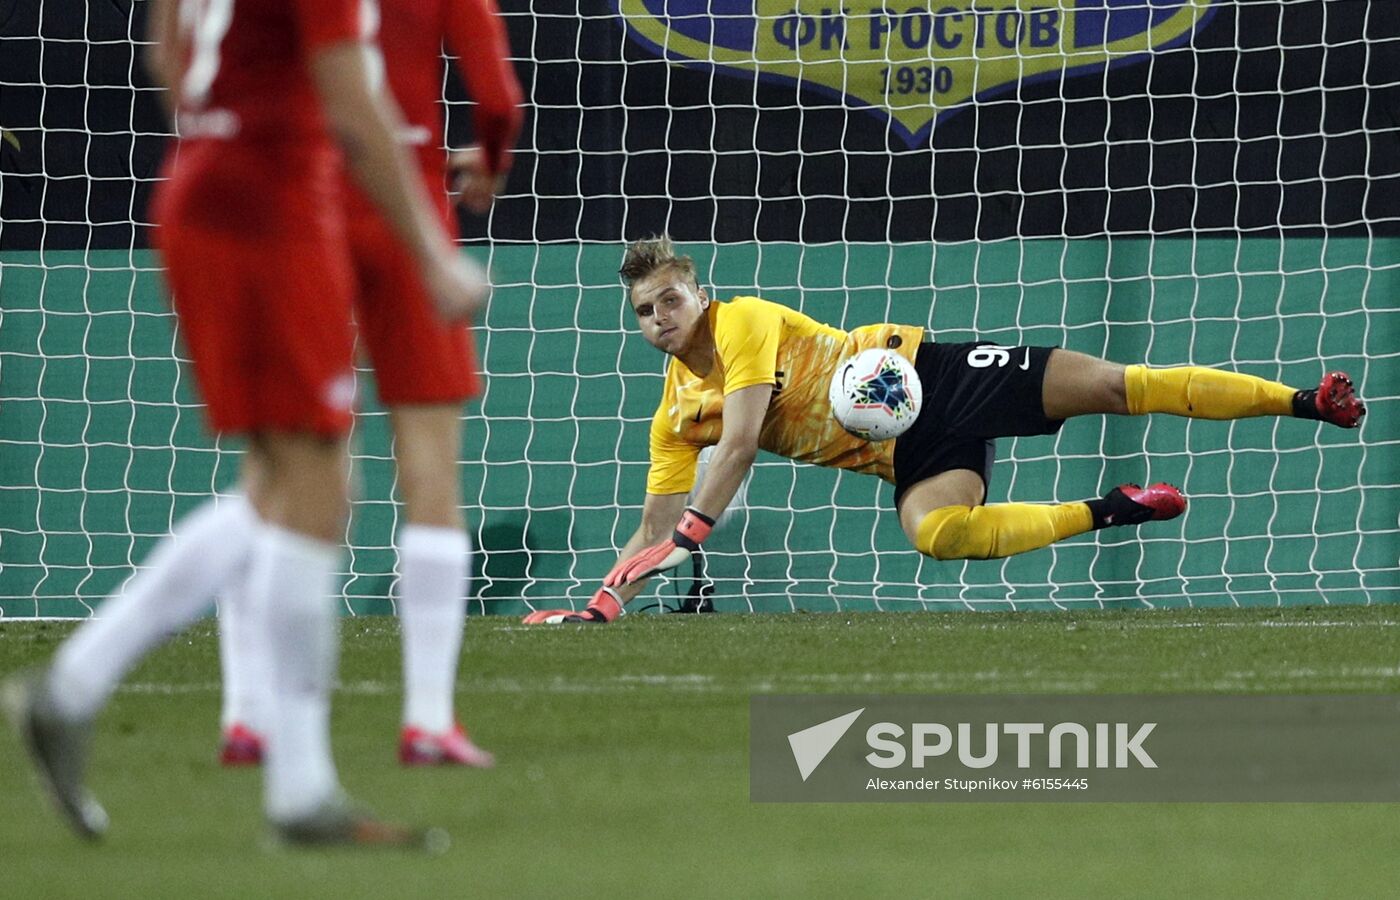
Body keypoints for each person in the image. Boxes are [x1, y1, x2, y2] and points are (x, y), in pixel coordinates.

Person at [1, 0, 483, 846]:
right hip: (271, 215)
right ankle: (287, 784)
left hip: (201, 191)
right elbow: (352, 105)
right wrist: (431, 254)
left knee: (285, 486)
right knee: (312, 489)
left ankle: (81, 691)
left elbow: (163, 51)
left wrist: (225, 118)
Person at [523, 235, 1365, 624]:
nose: (660, 315)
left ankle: (1303, 401)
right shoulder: (674, 416)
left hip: (933, 374)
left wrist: (696, 529)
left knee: (1115, 385)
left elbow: (740, 444)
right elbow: (652, 527)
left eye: (671, 297)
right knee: (938, 534)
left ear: (699, 294)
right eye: (645, 310)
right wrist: (603, 604)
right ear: (637, 326)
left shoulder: (741, 323)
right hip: (912, 452)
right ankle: (1114, 508)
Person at [216, 0, 522, 770]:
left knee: (276, 467)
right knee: (429, 469)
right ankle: (426, 719)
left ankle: (247, 714)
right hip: (409, 203)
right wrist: (488, 159)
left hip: (304, 199)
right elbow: (497, 99)